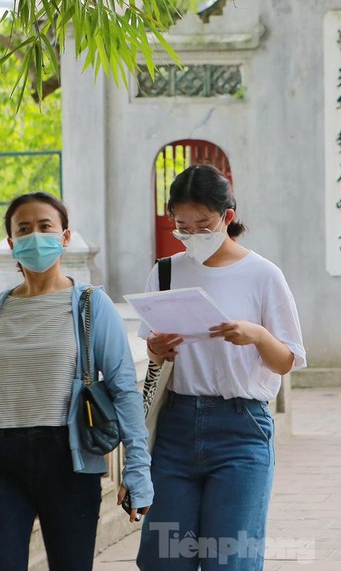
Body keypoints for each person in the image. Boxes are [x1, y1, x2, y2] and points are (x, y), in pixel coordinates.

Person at [0, 191, 153, 571]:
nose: (35, 236)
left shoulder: (90, 304)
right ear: (11, 242)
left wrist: (137, 470)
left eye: (45, 226)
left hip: (67, 460)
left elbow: (122, 390)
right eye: (24, 229)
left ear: (65, 237)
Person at [135, 164, 306, 571]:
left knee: (230, 561)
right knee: (165, 559)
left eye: (204, 224)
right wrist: (158, 348)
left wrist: (258, 336)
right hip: (176, 427)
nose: (192, 235)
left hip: (241, 428)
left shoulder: (263, 275)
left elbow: (286, 361)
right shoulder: (165, 272)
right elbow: (155, 353)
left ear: (228, 217)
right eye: (183, 226)